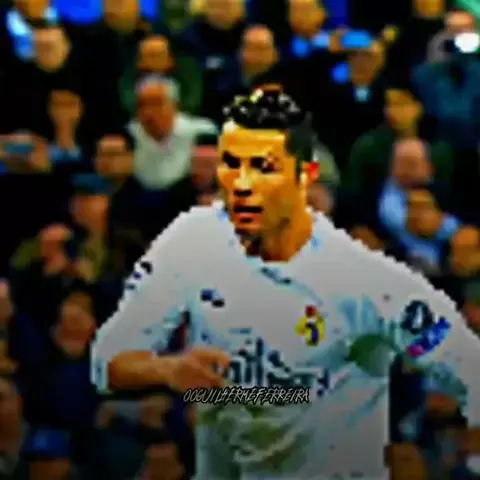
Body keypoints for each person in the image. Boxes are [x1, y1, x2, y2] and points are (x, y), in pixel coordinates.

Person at [91, 87, 480, 479]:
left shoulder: (365, 280)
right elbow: (108, 363)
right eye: (233, 165)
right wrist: (168, 370)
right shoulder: (191, 242)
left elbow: (465, 363)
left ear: (305, 175)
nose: (244, 184)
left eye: (264, 167)